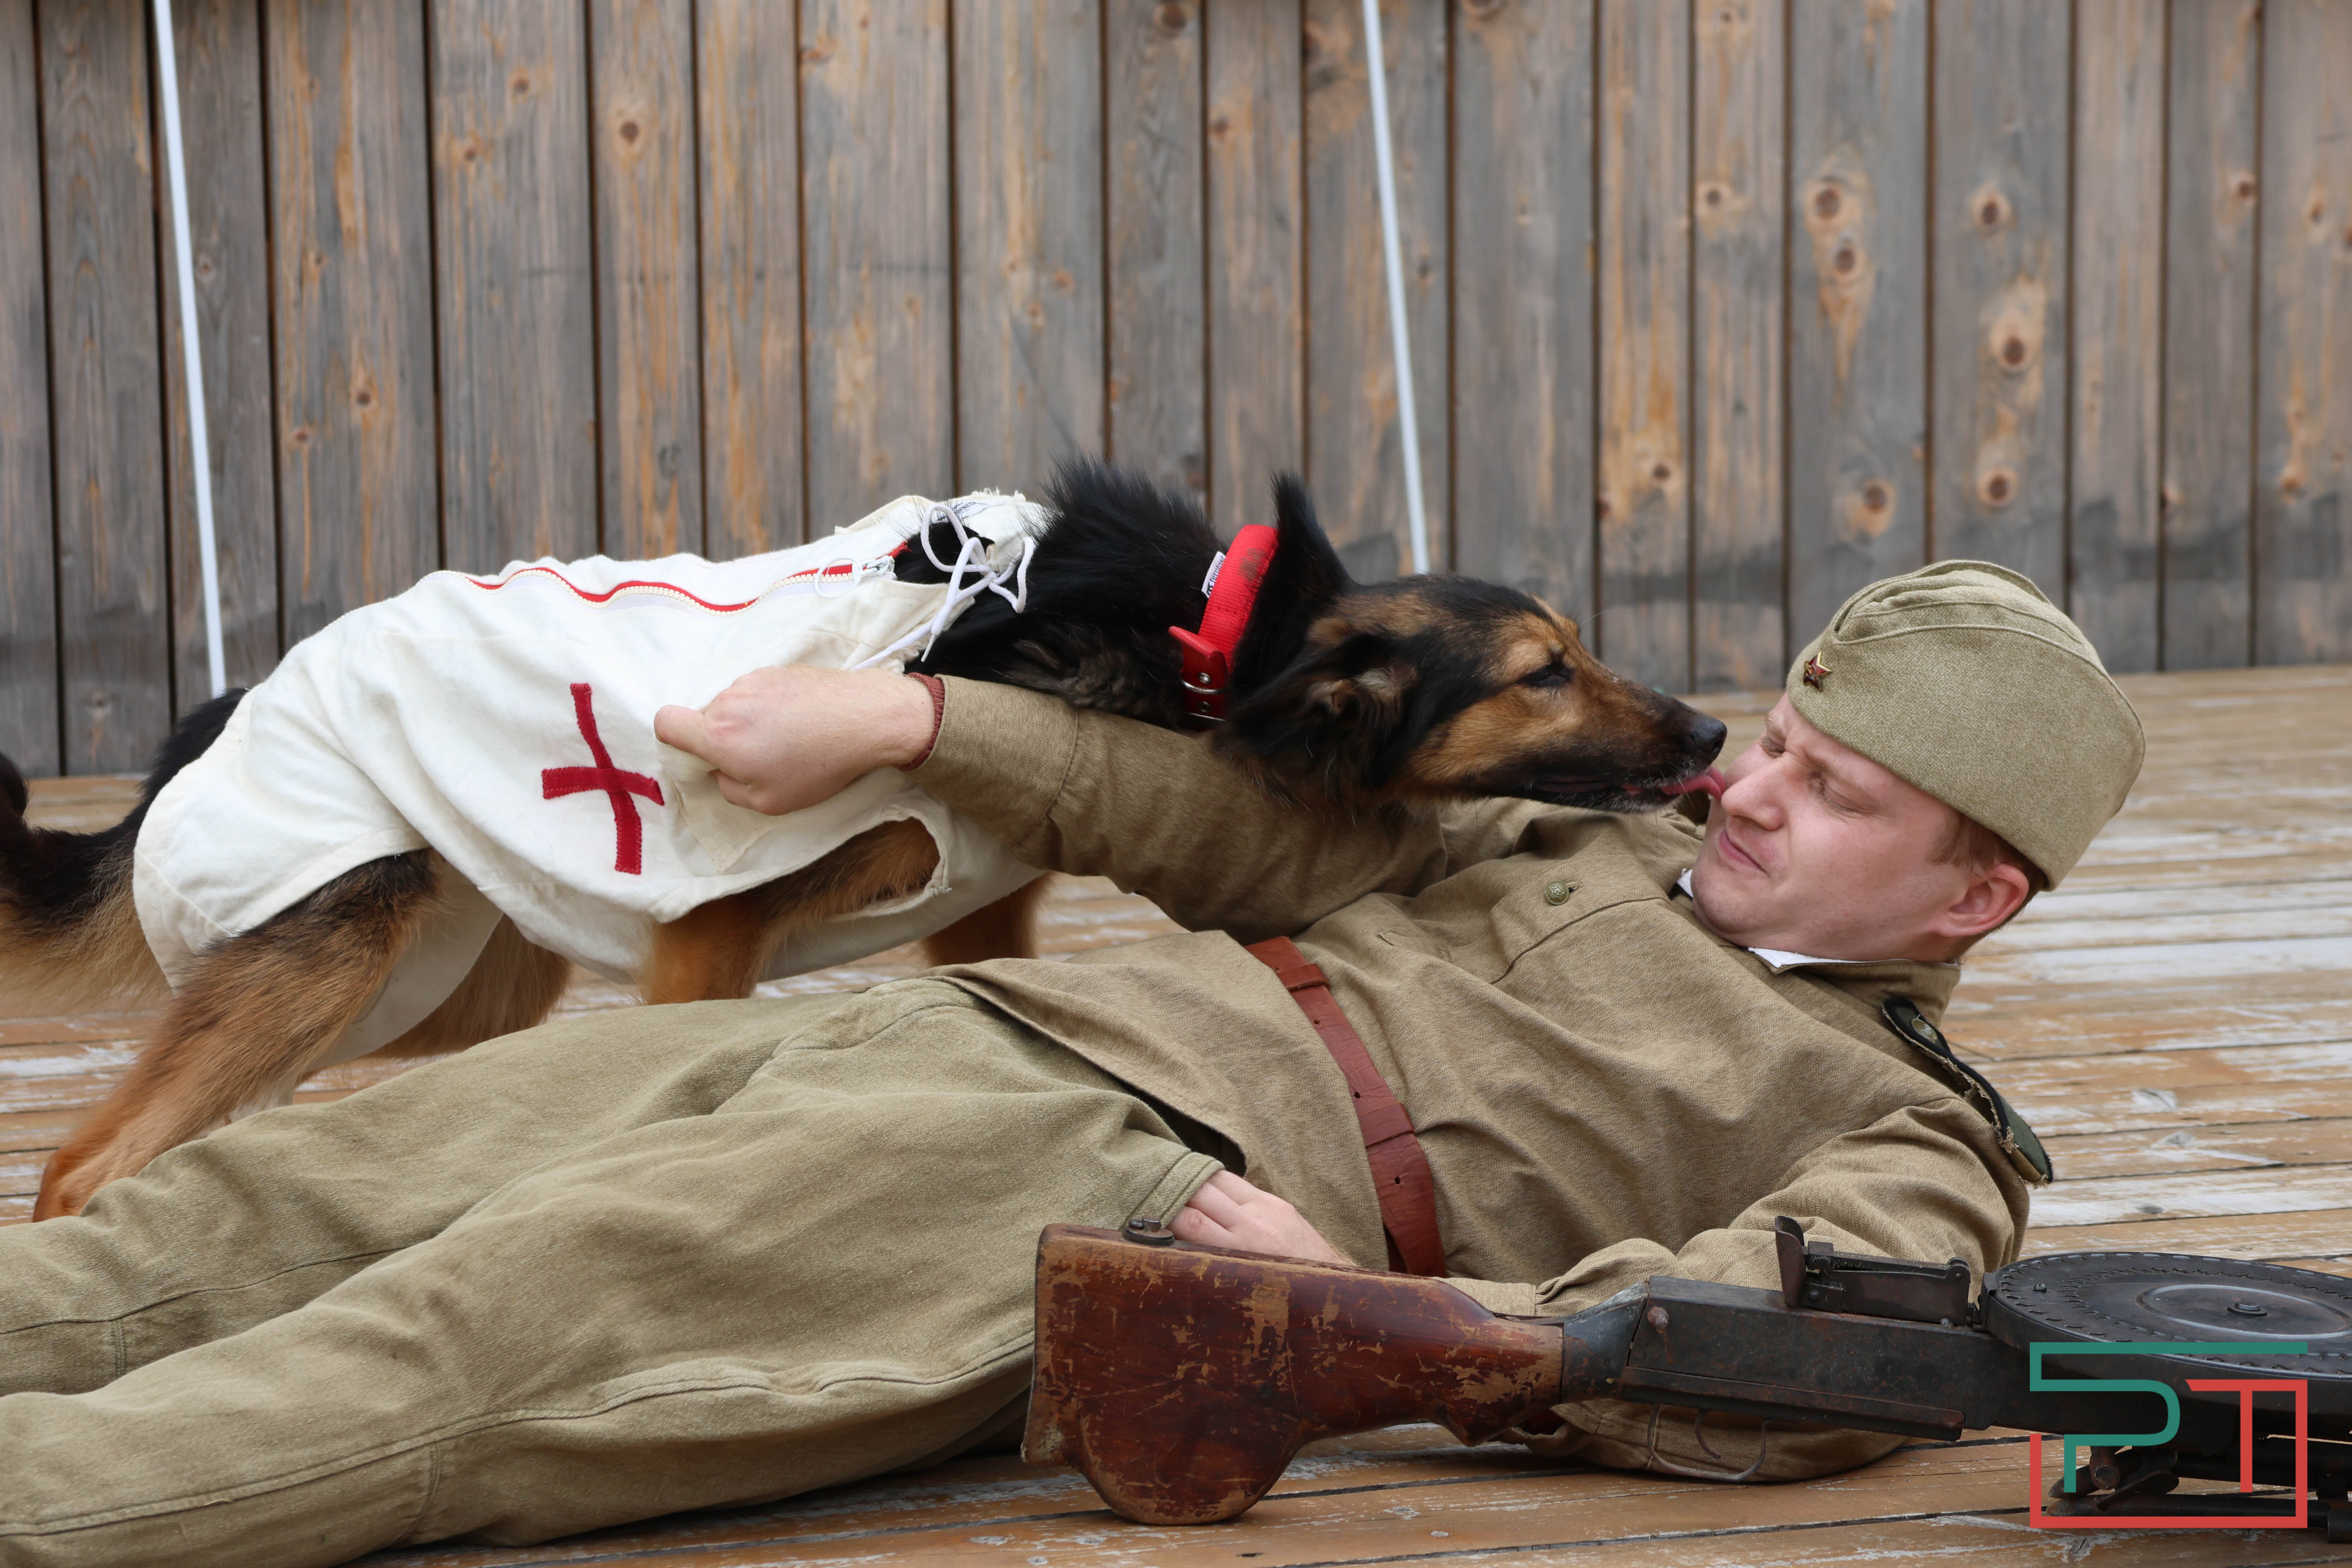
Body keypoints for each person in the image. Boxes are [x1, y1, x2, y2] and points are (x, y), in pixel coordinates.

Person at [0, 563, 2141, 1567]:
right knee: (268, 1207)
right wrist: (916, 725)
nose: (1748, 786)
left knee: (460, 1357)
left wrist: (1404, 1328)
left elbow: (1816, 1352)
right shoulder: (1567, 832)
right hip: (941, 1029)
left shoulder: (1905, 1126)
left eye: (1834, 791)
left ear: (1976, 901)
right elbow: (1219, 820)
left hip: (1115, 1188)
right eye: (1774, 738)